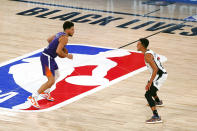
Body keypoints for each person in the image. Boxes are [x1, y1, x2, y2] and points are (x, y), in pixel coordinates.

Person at [27, 21, 74, 108]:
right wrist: (67, 55)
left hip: (49, 58)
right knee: (51, 80)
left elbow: (49, 40)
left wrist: (59, 46)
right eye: (72, 29)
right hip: (47, 58)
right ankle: (33, 97)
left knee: (57, 74)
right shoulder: (65, 38)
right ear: (67, 29)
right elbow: (58, 52)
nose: (73, 31)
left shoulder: (60, 34)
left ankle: (45, 92)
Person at [137, 38, 168, 124]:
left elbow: (155, 69)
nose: (137, 45)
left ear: (142, 45)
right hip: (158, 74)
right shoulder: (149, 51)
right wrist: (150, 81)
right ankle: (158, 101)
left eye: (138, 44)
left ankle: (156, 116)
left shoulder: (147, 56)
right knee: (151, 89)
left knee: (147, 94)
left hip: (160, 75)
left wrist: (150, 82)